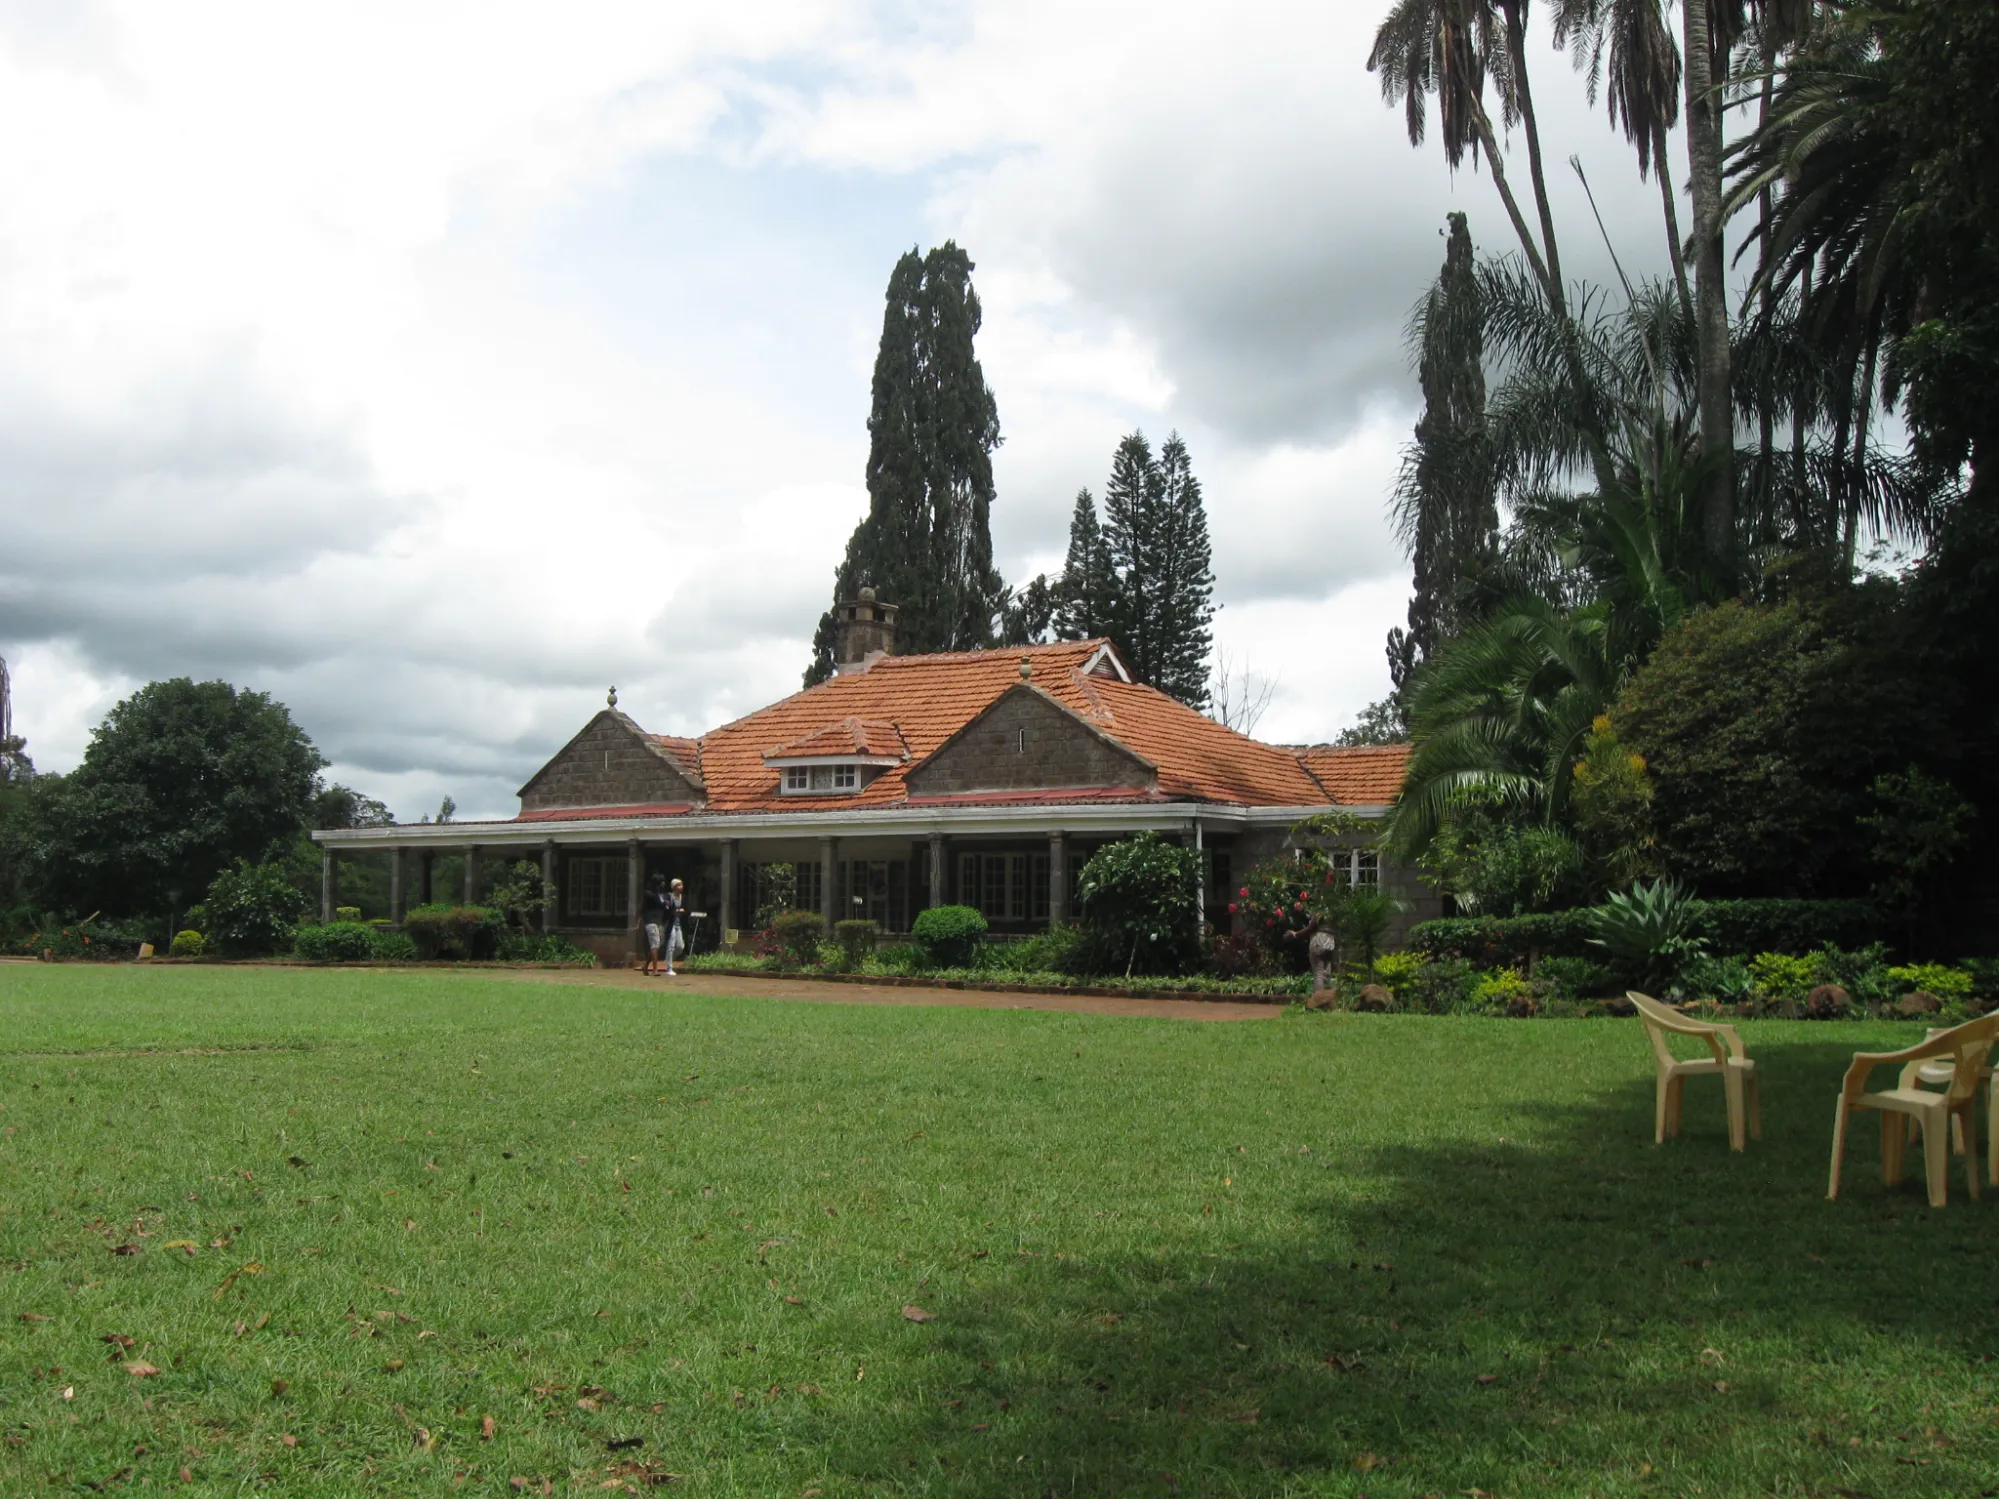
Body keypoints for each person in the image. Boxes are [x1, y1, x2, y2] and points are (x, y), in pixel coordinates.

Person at [640, 874, 669, 977]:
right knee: (654, 944)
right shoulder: (649, 894)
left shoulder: (661, 894)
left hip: (659, 921)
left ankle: (645, 966)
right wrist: (664, 902)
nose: (664, 884)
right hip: (651, 921)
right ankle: (655, 969)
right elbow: (656, 902)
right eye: (661, 882)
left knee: (658, 944)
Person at [663, 877, 687, 976]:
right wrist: (676, 911)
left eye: (681, 884)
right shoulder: (669, 896)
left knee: (680, 946)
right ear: (674, 887)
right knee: (671, 945)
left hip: (678, 924)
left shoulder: (682, 897)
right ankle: (669, 968)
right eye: (679, 885)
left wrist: (683, 911)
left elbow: (686, 909)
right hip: (670, 923)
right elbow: (667, 909)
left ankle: (669, 960)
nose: (681, 887)